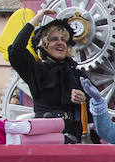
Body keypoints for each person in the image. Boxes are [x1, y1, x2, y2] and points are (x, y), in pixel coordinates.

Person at [8, 9, 88, 143]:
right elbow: (16, 50)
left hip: (76, 134)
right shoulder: (37, 70)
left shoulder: (77, 73)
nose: (60, 43)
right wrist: (36, 20)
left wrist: (84, 100)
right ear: (44, 45)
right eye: (54, 39)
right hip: (47, 135)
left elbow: (96, 106)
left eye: (64, 40)